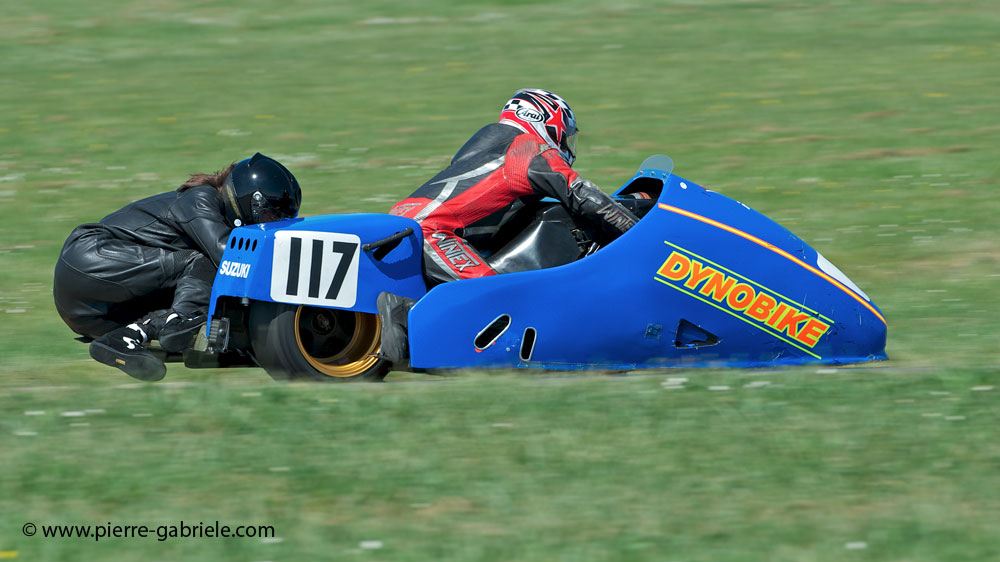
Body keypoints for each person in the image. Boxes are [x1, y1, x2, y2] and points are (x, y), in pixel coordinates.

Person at [53, 153, 301, 381]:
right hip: (88, 257)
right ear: (247, 202)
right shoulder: (202, 199)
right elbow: (226, 252)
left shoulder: (208, 206)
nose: (275, 225)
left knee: (205, 287)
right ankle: (179, 320)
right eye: (272, 216)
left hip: (92, 310)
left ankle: (123, 338)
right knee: (209, 262)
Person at [389, 88, 639, 285]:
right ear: (549, 124)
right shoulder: (527, 148)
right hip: (431, 230)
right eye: (566, 135)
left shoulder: (486, 150)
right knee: (494, 297)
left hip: (403, 222)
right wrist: (641, 234)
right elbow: (584, 196)